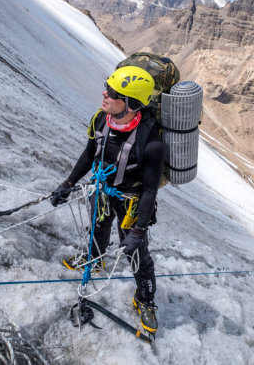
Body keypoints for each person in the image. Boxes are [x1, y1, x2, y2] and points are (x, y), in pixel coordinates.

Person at [50, 65, 164, 333]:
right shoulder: (101, 118)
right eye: (107, 86)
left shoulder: (151, 143)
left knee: (137, 252)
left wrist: (139, 229)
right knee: (97, 229)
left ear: (131, 103)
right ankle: (95, 258)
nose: (104, 93)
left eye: (113, 92)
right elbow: (90, 153)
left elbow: (150, 190)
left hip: (131, 201)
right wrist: (68, 183)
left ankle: (145, 299)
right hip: (102, 191)